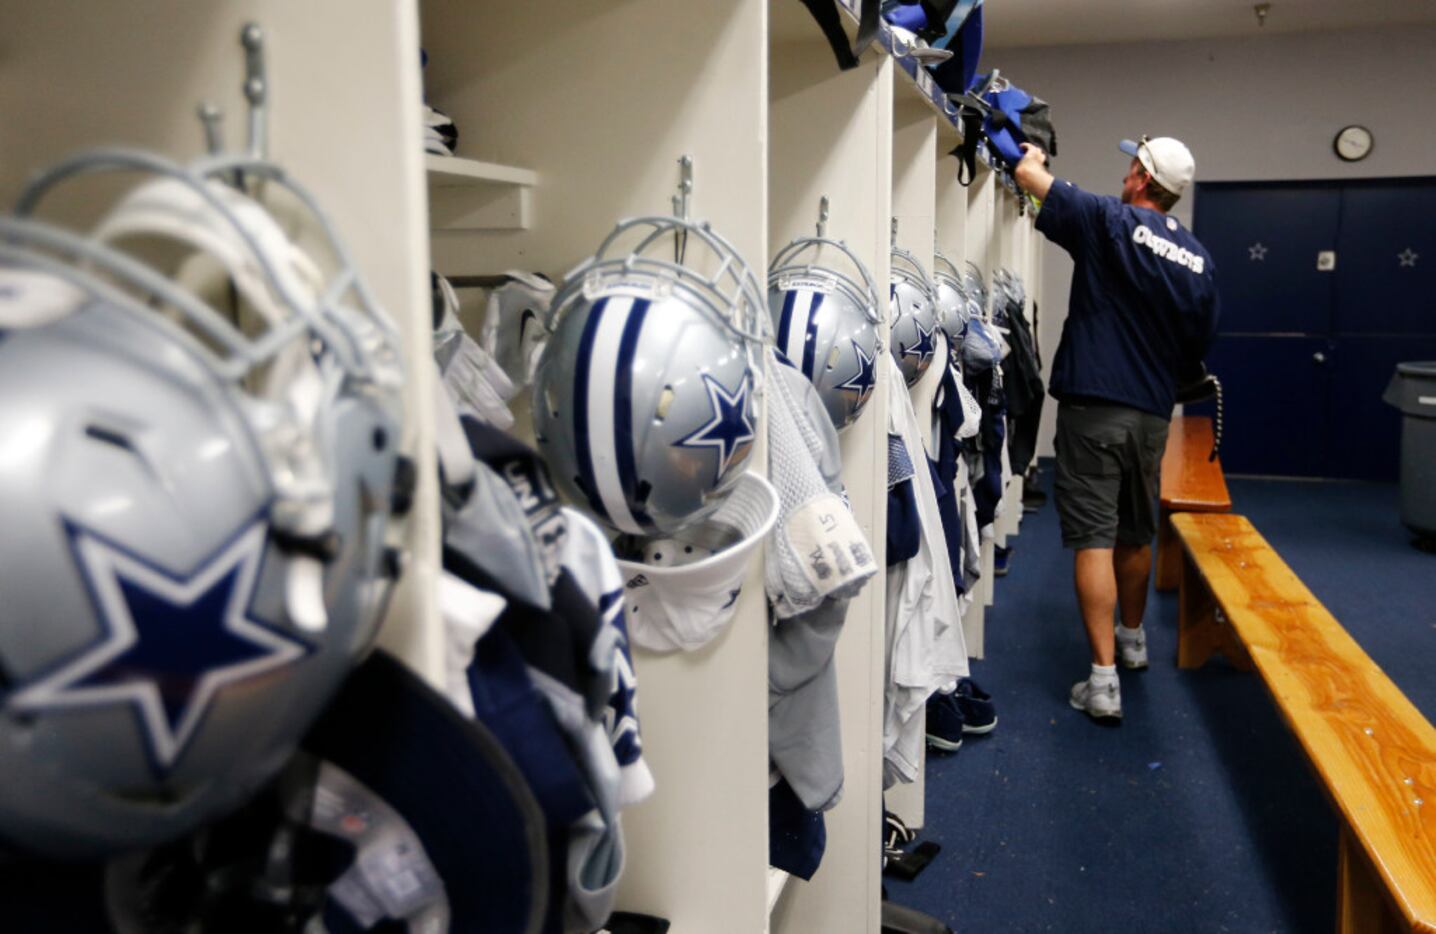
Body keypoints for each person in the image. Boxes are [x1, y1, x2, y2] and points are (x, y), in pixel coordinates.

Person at [1012, 136, 1220, 723]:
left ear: (1139, 175)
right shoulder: (1200, 260)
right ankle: (1132, 640)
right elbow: (1199, 347)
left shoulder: (1109, 218)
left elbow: (1029, 177)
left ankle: (1102, 680)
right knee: (1135, 531)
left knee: (1094, 539)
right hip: (1154, 414)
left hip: (1095, 408)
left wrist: (1034, 159)